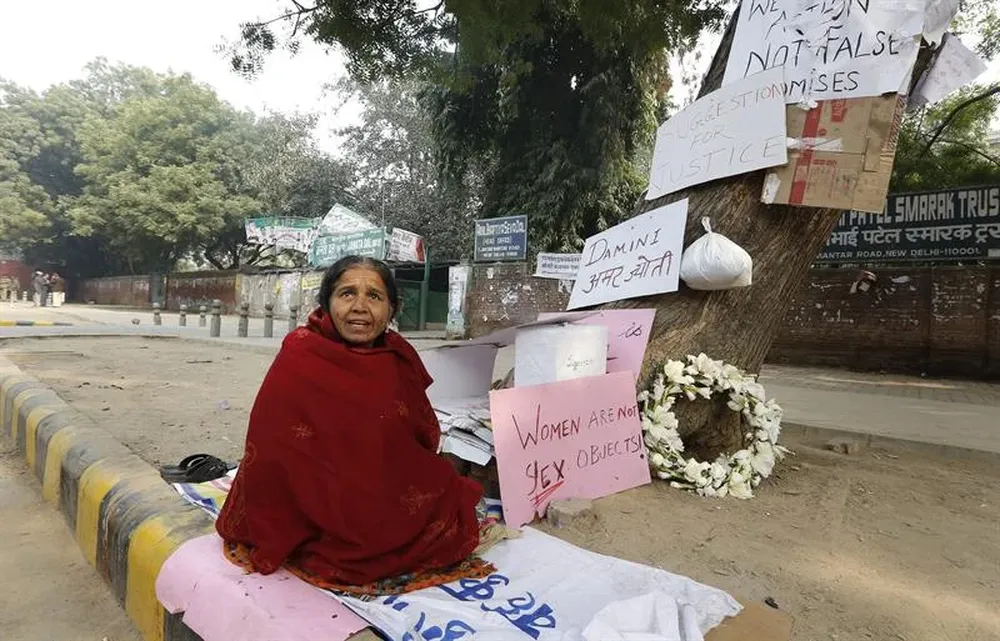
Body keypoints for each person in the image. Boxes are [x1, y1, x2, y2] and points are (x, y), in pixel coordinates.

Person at [216, 256, 487, 591]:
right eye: (347, 294)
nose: (360, 307)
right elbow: (274, 449)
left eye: (374, 296)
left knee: (444, 491)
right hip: (306, 500)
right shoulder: (301, 353)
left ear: (392, 309)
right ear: (328, 303)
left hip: (382, 487)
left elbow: (418, 436)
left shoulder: (396, 357)